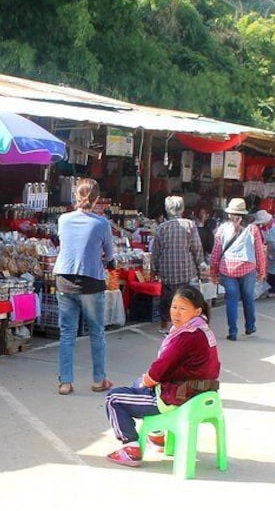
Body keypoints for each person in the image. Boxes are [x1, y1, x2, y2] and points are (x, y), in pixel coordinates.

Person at [104, 285, 220, 467]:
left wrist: (147, 381)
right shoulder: (202, 329)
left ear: (197, 311)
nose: (176, 313)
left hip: (177, 396)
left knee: (113, 398)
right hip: (200, 393)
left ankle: (131, 448)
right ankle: (157, 436)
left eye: (183, 309)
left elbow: (158, 371)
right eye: (174, 307)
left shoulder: (187, 336)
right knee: (137, 383)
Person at [53, 178, 115, 396]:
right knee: (97, 331)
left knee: (67, 333)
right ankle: (99, 380)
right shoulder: (101, 223)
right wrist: (106, 261)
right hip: (91, 282)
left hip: (65, 280)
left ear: (75, 196)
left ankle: (65, 382)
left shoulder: (63, 220)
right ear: (97, 199)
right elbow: (110, 253)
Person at [210, 198, 266, 341]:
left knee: (231, 300)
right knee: (248, 297)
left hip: (227, 270)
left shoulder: (222, 229)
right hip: (247, 269)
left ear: (229, 214)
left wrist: (213, 272)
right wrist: (261, 270)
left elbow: (216, 252)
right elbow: (259, 252)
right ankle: (250, 326)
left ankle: (233, 332)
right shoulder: (253, 229)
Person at [151, 196, 206, 335]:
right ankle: (184, 326)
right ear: (182, 209)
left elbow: (156, 251)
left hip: (167, 271)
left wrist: (154, 268)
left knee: (167, 300)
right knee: (185, 299)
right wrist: (200, 264)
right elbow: (197, 248)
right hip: (185, 270)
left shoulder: (161, 227)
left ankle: (165, 326)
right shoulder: (189, 225)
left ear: (167, 209)